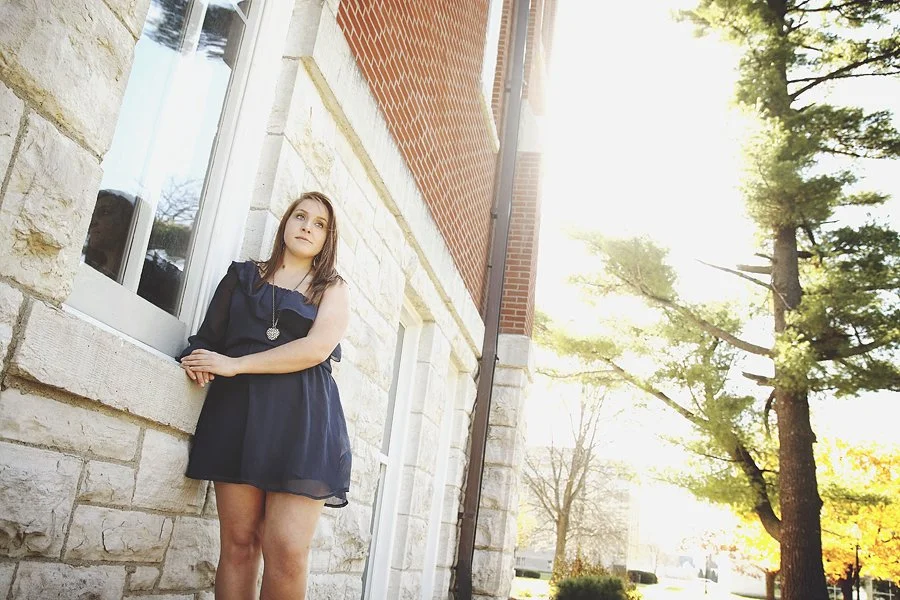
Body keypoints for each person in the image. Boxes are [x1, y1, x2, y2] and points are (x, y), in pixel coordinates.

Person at [178, 191, 352, 600]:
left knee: (287, 550)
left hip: (302, 421)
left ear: (328, 239)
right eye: (300, 216)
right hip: (236, 415)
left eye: (320, 223)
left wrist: (234, 364)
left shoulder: (332, 289)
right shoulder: (241, 277)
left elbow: (314, 350)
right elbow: (205, 339)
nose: (308, 226)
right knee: (238, 545)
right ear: (285, 224)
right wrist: (198, 360)